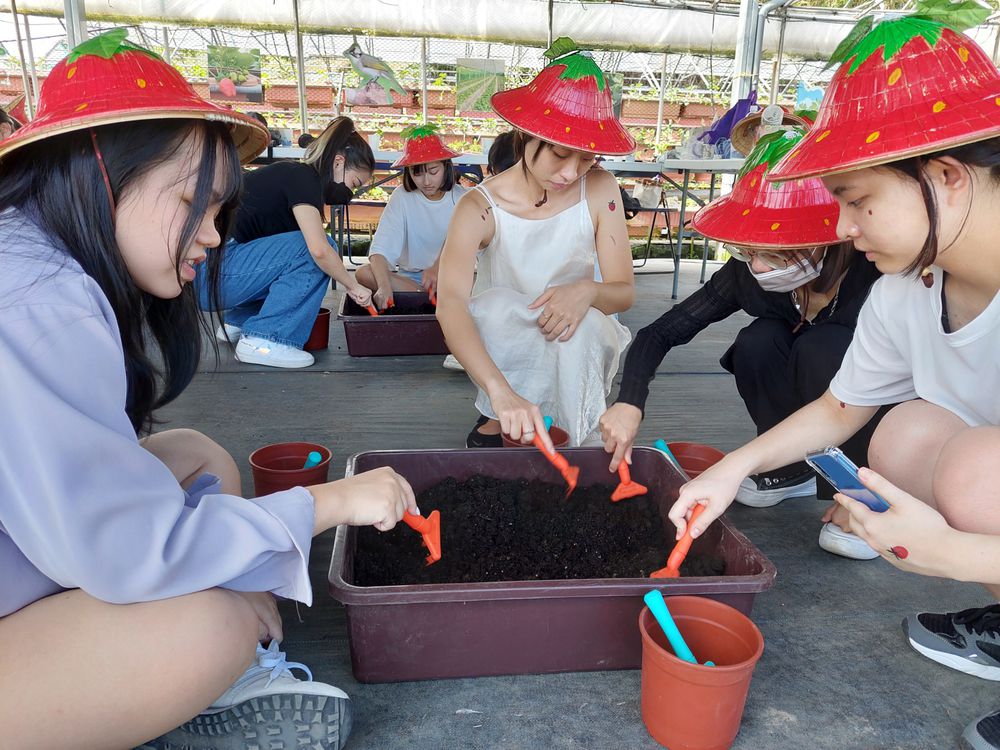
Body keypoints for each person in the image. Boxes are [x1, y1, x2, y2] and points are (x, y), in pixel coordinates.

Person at [0, 30, 416, 750]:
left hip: (29, 548)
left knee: (197, 454)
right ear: (103, 173)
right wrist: (330, 502)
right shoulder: (39, 301)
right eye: (196, 201)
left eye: (223, 211)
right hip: (49, 571)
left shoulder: (33, 256)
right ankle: (178, 690)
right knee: (212, 628)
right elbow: (125, 550)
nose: (216, 235)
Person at [666, 11, 1000, 748]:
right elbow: (841, 406)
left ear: (945, 176)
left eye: (857, 199)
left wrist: (953, 554)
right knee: (908, 434)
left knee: (977, 474)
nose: (843, 227)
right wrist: (731, 470)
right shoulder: (908, 291)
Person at [600, 128, 884, 557]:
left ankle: (863, 491)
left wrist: (865, 488)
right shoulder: (748, 275)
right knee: (758, 339)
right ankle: (791, 469)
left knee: (823, 346)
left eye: (777, 252)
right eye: (750, 249)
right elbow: (660, 332)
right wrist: (629, 400)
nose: (759, 264)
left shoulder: (873, 273)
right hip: (815, 403)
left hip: (872, 405)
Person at [436, 38, 635, 448]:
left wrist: (588, 290)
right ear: (526, 135)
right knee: (492, 308)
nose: (570, 173)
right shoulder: (481, 206)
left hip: (573, 329)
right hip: (508, 340)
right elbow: (450, 303)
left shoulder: (600, 188)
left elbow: (623, 292)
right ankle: (498, 410)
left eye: (586, 159)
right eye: (560, 154)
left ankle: (576, 434)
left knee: (582, 328)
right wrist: (498, 389)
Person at [196, 115, 375, 368]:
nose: (351, 193)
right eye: (355, 183)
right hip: (209, 274)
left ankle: (237, 322)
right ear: (338, 162)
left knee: (293, 254)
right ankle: (264, 338)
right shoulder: (304, 178)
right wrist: (353, 286)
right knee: (319, 248)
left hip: (212, 274)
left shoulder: (292, 176)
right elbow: (318, 250)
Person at [356, 124, 467, 309]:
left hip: (452, 277)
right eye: (417, 173)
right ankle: (426, 299)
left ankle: (424, 301)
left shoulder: (463, 197)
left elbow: (462, 242)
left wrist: (437, 268)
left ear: (446, 167)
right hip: (412, 281)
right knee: (363, 273)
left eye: (433, 171)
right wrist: (384, 287)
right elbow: (380, 251)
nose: (426, 181)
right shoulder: (402, 197)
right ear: (408, 172)